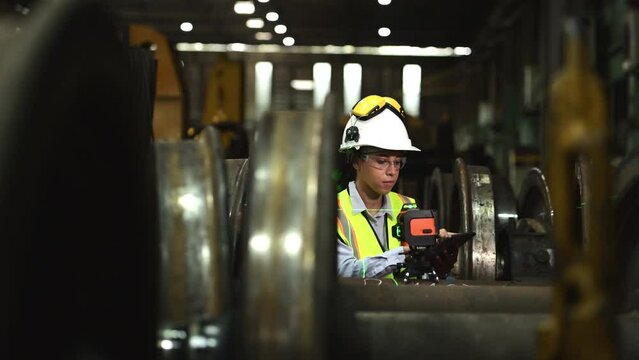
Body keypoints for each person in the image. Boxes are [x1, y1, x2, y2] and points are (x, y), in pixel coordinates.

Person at [336, 95, 458, 278]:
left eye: (398, 162)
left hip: (403, 305)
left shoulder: (407, 206)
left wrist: (437, 262)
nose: (392, 171)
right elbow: (345, 270)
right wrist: (402, 257)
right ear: (356, 161)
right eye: (382, 161)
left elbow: (419, 276)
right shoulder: (334, 212)